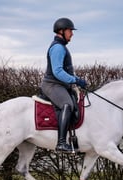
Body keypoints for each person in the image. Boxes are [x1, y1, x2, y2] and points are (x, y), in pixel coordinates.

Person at [40, 17, 87, 153]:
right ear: (61, 31)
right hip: (52, 85)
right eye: (70, 31)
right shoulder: (58, 48)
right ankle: (61, 143)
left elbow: (65, 71)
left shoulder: (62, 47)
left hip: (60, 85)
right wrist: (75, 80)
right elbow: (58, 71)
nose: (72, 33)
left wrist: (76, 81)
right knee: (67, 104)